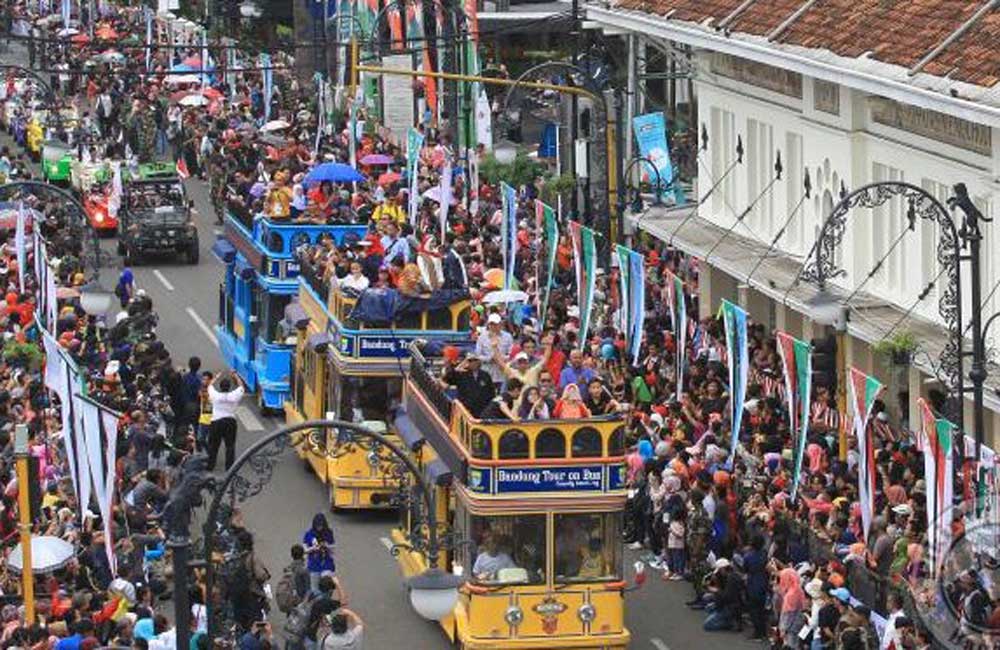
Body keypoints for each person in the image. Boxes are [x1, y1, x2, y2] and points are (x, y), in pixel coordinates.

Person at [206, 371, 245, 471]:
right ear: (229, 387)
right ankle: (229, 467)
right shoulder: (234, 395)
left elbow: (209, 385)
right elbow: (241, 386)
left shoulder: (215, 395)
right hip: (230, 421)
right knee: (230, 445)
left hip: (216, 422)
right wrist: (235, 375)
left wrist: (216, 377)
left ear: (220, 387)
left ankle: (210, 465)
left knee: (214, 446)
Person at [443, 353, 495, 417]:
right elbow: (447, 379)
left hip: (482, 409)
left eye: (475, 360)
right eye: (470, 361)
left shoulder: (485, 375)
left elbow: (491, 392)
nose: (473, 363)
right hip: (466, 409)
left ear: (479, 361)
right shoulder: (461, 374)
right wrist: (458, 367)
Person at [303, 514, 336, 592]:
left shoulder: (329, 533)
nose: (319, 528)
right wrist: (313, 548)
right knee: (315, 589)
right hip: (314, 565)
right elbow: (304, 550)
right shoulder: (309, 534)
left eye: (321, 526)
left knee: (327, 586)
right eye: (318, 526)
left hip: (327, 564)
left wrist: (327, 546)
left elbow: (333, 548)